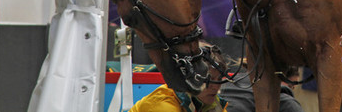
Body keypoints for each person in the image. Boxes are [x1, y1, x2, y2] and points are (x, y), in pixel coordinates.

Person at [128, 43, 303, 112]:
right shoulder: (164, 106)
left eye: (219, 79)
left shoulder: (212, 104)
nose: (215, 87)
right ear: (188, 78)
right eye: (208, 80)